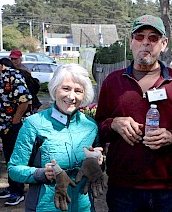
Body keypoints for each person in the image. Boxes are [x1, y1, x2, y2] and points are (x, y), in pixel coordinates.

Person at [95, 14, 172, 211]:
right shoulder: (113, 81)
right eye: (140, 36)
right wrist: (114, 123)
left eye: (153, 38)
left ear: (164, 44)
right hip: (124, 188)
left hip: (168, 188)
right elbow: (98, 126)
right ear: (131, 41)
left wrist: (171, 136)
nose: (146, 43)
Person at [8, 63, 105, 212]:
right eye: (65, 88)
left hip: (83, 206)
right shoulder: (33, 124)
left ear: (84, 94)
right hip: (45, 206)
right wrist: (42, 173)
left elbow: (96, 165)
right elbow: (14, 169)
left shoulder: (90, 126)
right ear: (55, 89)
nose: (71, 97)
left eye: (78, 91)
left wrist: (98, 162)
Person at [0, 56, 33, 206]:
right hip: (4, 126)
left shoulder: (13, 76)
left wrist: (15, 121)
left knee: (16, 158)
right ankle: (12, 186)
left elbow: (25, 99)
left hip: (15, 126)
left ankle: (18, 192)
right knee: (8, 157)